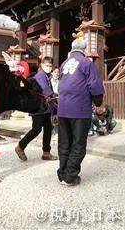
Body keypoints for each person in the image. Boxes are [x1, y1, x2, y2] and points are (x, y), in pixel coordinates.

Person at [56, 33, 104, 186]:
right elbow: (95, 85)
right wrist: (98, 101)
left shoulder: (64, 64)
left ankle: (62, 172)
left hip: (63, 109)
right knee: (78, 143)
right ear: (85, 49)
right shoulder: (86, 63)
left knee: (64, 142)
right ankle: (70, 176)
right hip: (79, 109)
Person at [15, 57, 57, 161]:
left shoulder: (47, 76)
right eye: (47, 65)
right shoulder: (40, 76)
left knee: (48, 129)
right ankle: (20, 146)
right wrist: (54, 96)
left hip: (46, 108)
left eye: (50, 66)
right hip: (38, 107)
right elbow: (47, 90)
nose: (49, 67)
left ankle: (46, 152)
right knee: (36, 129)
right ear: (42, 65)